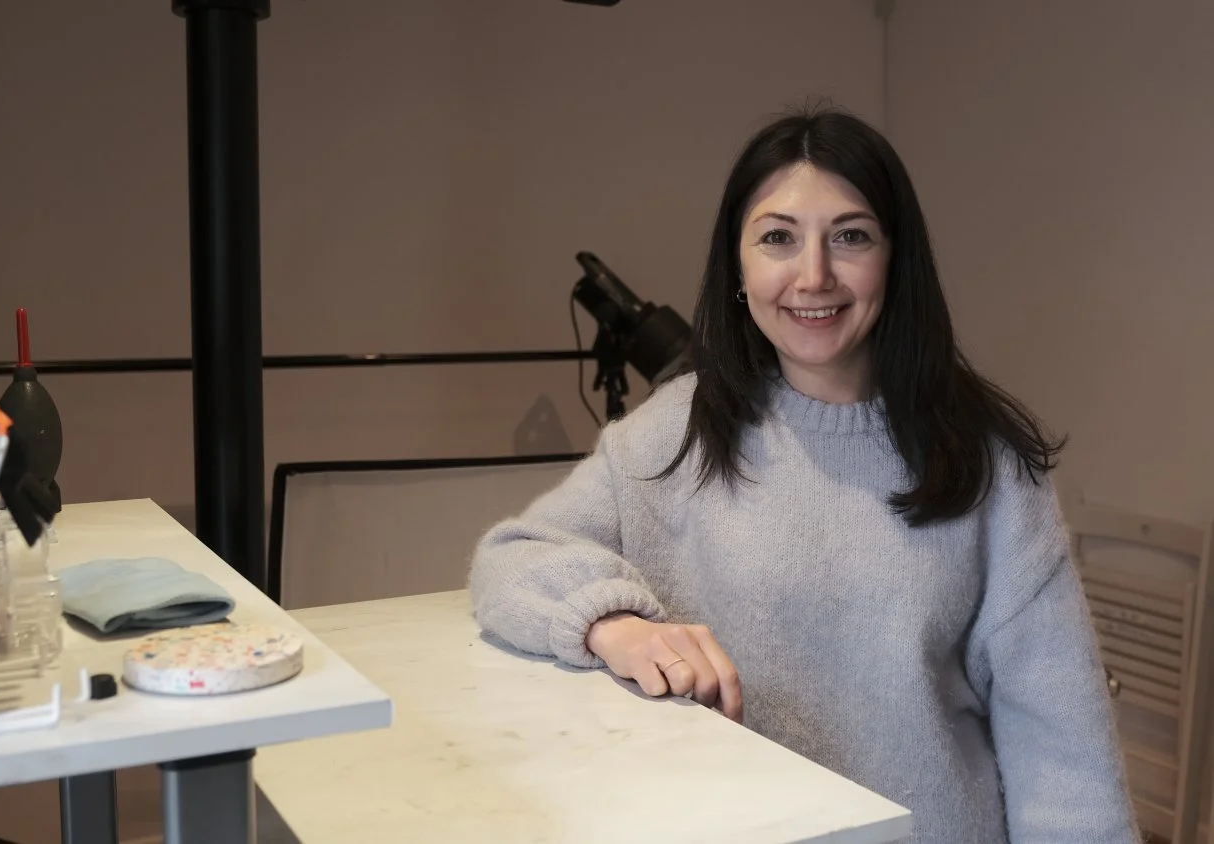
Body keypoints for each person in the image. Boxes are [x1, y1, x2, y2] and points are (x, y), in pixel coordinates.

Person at [468, 105, 1138, 843]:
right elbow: (511, 559)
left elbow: (1065, 761)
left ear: (896, 259)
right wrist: (611, 623)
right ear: (739, 266)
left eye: (850, 236)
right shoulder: (675, 431)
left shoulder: (991, 466)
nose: (813, 276)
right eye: (778, 238)